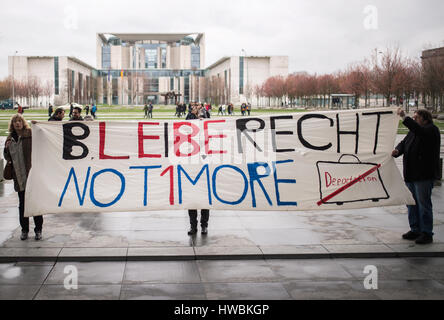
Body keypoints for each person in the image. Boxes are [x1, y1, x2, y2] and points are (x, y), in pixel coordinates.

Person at [392, 108, 441, 245]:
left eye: (416, 117)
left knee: (423, 204)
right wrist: (397, 150)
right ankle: (415, 229)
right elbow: (404, 143)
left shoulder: (431, 130)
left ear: (425, 119)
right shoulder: (414, 131)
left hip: (423, 175)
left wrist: (404, 117)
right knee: (411, 203)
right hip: (411, 174)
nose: (414, 120)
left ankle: (426, 232)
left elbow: (419, 132)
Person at [3, 114, 43, 241]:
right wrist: (6, 149)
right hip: (19, 177)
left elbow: (42, 137)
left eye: (19, 121)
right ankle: (24, 230)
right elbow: (7, 156)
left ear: (23, 122)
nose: (17, 123)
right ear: (12, 124)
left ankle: (38, 230)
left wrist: (37, 126)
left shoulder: (30, 134)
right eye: (15, 121)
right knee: (22, 205)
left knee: (35, 205)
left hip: (31, 175)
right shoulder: (10, 139)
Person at [185, 106, 210, 235]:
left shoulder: (205, 117)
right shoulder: (188, 142)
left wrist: (202, 119)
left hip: (204, 169)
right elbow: (183, 126)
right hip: (192, 170)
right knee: (192, 201)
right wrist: (193, 117)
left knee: (205, 201)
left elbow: (209, 126)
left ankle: (204, 225)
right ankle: (193, 226)